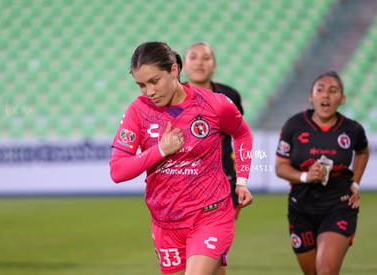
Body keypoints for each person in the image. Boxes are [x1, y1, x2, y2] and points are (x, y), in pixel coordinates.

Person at [110, 41, 254, 275]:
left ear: (174, 71)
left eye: (154, 81)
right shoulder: (137, 111)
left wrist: (242, 181)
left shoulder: (214, 104)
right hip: (165, 223)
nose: (150, 91)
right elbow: (117, 171)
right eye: (141, 85)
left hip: (211, 214)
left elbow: (243, 134)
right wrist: (161, 151)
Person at [275, 71, 369, 275]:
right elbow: (280, 167)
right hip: (301, 209)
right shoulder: (294, 125)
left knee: (326, 270)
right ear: (311, 96)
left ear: (342, 99)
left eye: (333, 91)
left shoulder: (352, 129)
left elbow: (362, 151)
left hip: (339, 205)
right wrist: (304, 177)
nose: (326, 95)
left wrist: (356, 183)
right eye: (320, 90)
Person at [183, 41, 244, 220]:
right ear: (183, 65)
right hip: (184, 180)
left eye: (206, 58)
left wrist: (242, 172)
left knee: (217, 240)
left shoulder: (230, 96)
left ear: (214, 66)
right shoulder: (171, 96)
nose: (199, 62)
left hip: (224, 177)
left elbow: (241, 134)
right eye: (193, 57)